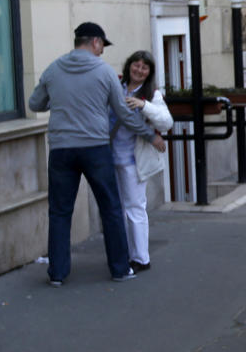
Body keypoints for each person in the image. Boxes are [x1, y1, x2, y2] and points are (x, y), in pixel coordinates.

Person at [28, 22, 164, 285]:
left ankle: (57, 273)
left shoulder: (54, 69)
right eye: (102, 46)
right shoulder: (104, 72)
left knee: (59, 211)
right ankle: (120, 269)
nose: (102, 52)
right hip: (95, 148)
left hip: (61, 149)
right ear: (95, 43)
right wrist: (150, 135)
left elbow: (35, 103)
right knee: (111, 208)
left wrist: (58, 98)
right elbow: (123, 114)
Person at [111, 50, 172, 272]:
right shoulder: (115, 85)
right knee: (116, 208)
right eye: (136, 65)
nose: (139, 70)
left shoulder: (152, 95)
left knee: (135, 207)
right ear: (129, 66)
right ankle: (123, 254)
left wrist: (144, 105)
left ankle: (141, 258)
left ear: (149, 73)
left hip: (133, 159)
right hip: (109, 156)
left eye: (144, 68)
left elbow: (166, 123)